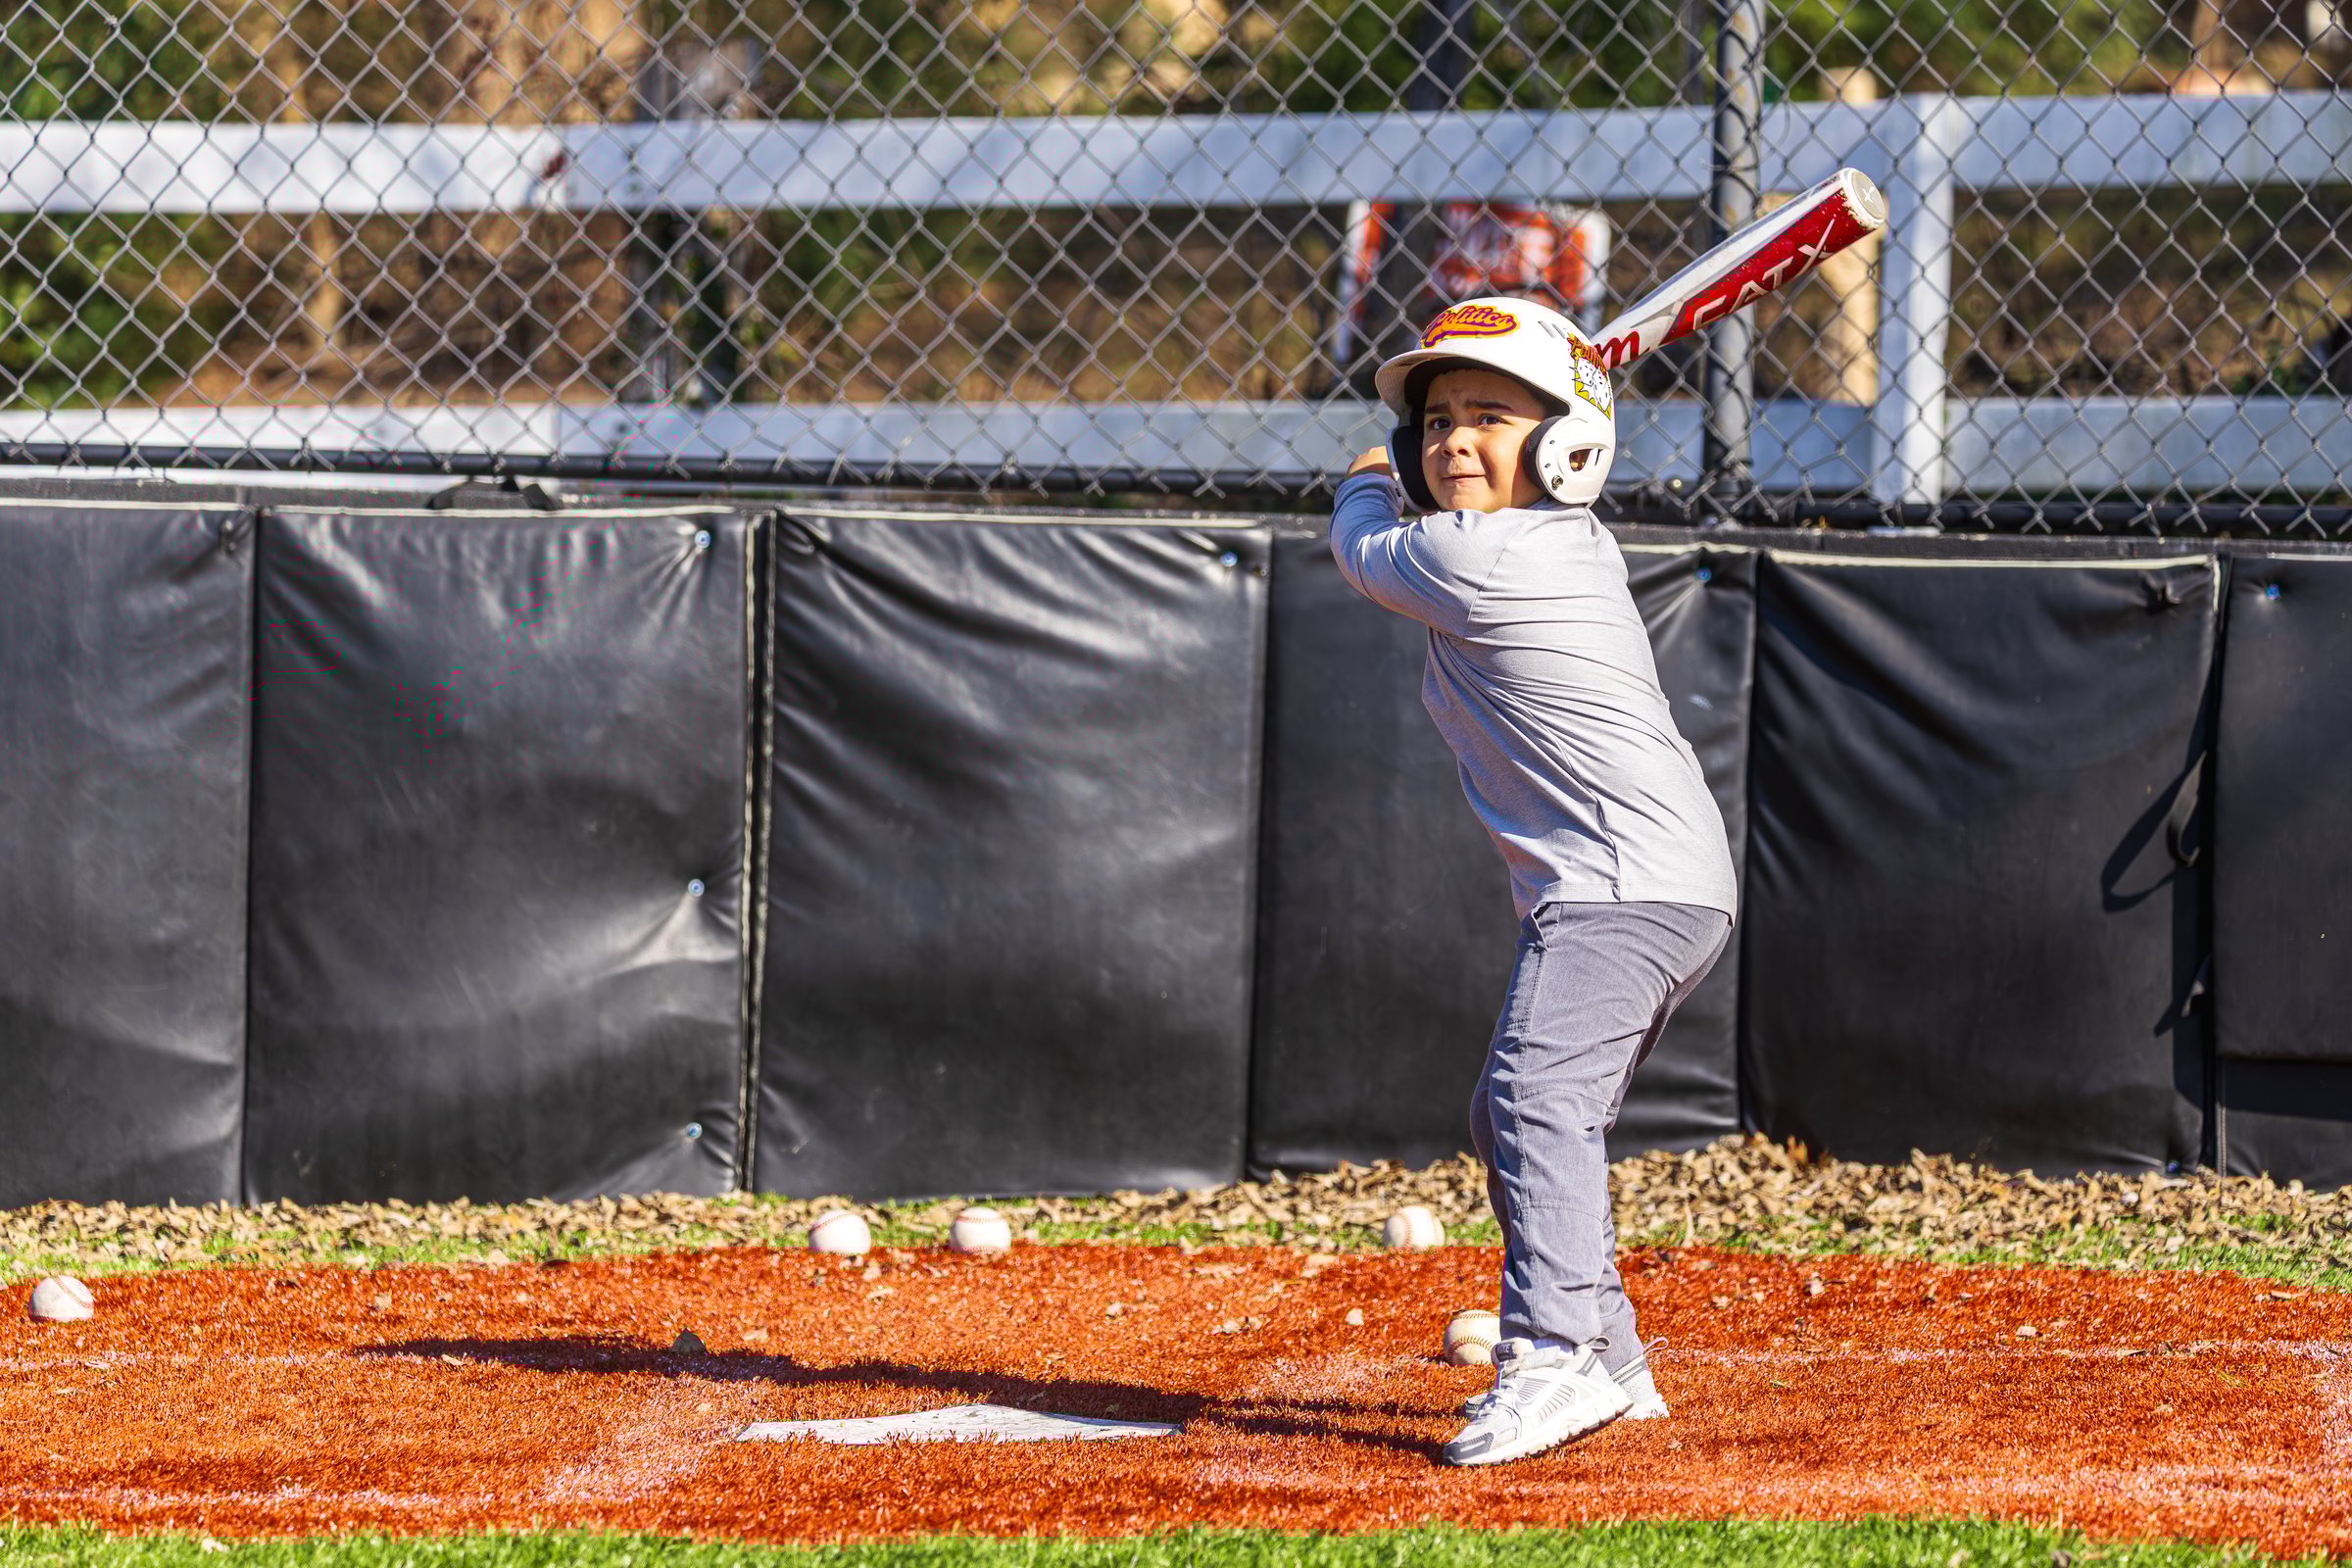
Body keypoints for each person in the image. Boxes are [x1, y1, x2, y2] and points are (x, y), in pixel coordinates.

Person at [1328, 295, 1738, 1467]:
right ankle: (1608, 1357)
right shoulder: (1529, 540)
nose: (1452, 440)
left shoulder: (1485, 551)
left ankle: (1552, 1355)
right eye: (1436, 421)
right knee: (1510, 1112)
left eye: (1490, 417)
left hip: (1624, 886)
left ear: (1566, 444)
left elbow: (1362, 549)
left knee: (1533, 1100)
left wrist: (1365, 473)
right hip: (1639, 885)